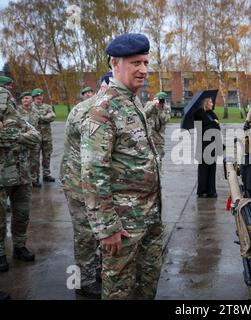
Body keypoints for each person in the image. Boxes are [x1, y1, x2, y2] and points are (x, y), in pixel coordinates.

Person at [80, 33, 162, 300]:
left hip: (148, 218)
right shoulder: (104, 109)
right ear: (115, 63)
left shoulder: (132, 101)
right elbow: (93, 173)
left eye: (146, 63)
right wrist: (107, 228)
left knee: (146, 286)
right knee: (119, 291)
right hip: (123, 227)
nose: (144, 70)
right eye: (135, 63)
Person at [59, 73, 112, 299]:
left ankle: (96, 270)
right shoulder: (87, 111)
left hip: (91, 182)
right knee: (85, 233)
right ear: (104, 86)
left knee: (97, 231)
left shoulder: (106, 108)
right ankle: (84, 280)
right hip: (78, 182)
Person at [0, 85, 41, 273]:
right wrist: (19, 138)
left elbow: (36, 136)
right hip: (2, 179)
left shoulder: (18, 120)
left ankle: (19, 246)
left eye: (7, 100)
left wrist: (13, 136)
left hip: (22, 177)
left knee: (22, 215)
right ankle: (0, 253)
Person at [195, 97, 221, 198]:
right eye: (210, 101)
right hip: (203, 145)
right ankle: (202, 191)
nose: (212, 103)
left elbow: (217, 127)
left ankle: (211, 191)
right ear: (205, 103)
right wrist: (213, 124)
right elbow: (202, 129)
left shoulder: (211, 113)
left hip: (213, 144)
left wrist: (213, 124)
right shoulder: (199, 114)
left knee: (212, 168)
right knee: (203, 169)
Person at [31, 88, 56, 184]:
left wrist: (40, 117)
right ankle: (34, 177)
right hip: (35, 137)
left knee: (47, 156)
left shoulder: (47, 107)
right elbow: (31, 119)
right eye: (37, 96)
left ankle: (46, 175)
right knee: (34, 158)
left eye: (40, 96)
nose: (39, 97)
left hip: (46, 137)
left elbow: (52, 116)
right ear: (34, 97)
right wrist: (46, 117)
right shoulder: (30, 107)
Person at [17, 92, 41, 187]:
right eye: (23, 98)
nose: (24, 100)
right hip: (22, 140)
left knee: (34, 160)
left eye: (27, 98)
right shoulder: (17, 111)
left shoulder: (35, 111)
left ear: (31, 99)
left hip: (34, 140)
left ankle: (34, 179)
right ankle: (23, 181)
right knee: (22, 161)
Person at [144, 91, 171, 159]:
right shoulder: (149, 104)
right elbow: (144, 115)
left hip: (159, 137)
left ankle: (158, 169)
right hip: (148, 137)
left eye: (162, 100)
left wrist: (161, 109)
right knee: (148, 157)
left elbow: (165, 120)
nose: (160, 101)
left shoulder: (165, 108)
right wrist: (153, 105)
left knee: (159, 156)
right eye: (159, 99)